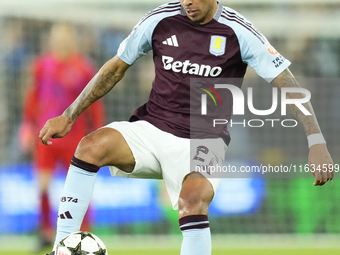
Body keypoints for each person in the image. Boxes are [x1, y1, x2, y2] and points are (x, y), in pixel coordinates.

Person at [39, 1, 334, 254]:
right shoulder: (159, 20)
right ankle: (61, 245)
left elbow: (288, 84)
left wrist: (316, 140)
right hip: (152, 128)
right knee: (90, 146)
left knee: (191, 201)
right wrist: (69, 114)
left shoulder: (239, 31)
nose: (187, 3)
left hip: (204, 141)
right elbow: (116, 67)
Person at [19, 23, 106, 250]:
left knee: (79, 189)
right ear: (51, 39)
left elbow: (94, 104)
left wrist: (97, 131)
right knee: (43, 186)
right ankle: (46, 232)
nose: (61, 40)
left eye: (65, 36)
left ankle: (84, 233)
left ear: (72, 39)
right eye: (57, 36)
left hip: (75, 139)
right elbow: (33, 97)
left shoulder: (84, 67)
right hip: (46, 136)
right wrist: (28, 125)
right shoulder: (41, 65)